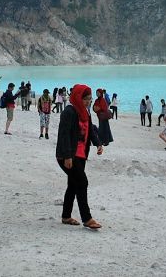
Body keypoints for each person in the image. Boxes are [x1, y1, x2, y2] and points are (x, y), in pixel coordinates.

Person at [55, 84, 103, 229]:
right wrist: (68, 156)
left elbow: (91, 130)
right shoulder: (68, 112)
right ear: (77, 97)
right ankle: (87, 218)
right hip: (67, 155)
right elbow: (64, 135)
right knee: (82, 182)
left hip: (81, 154)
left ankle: (66, 216)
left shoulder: (85, 112)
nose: (88, 102)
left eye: (90, 99)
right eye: (86, 99)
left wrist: (98, 143)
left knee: (73, 185)